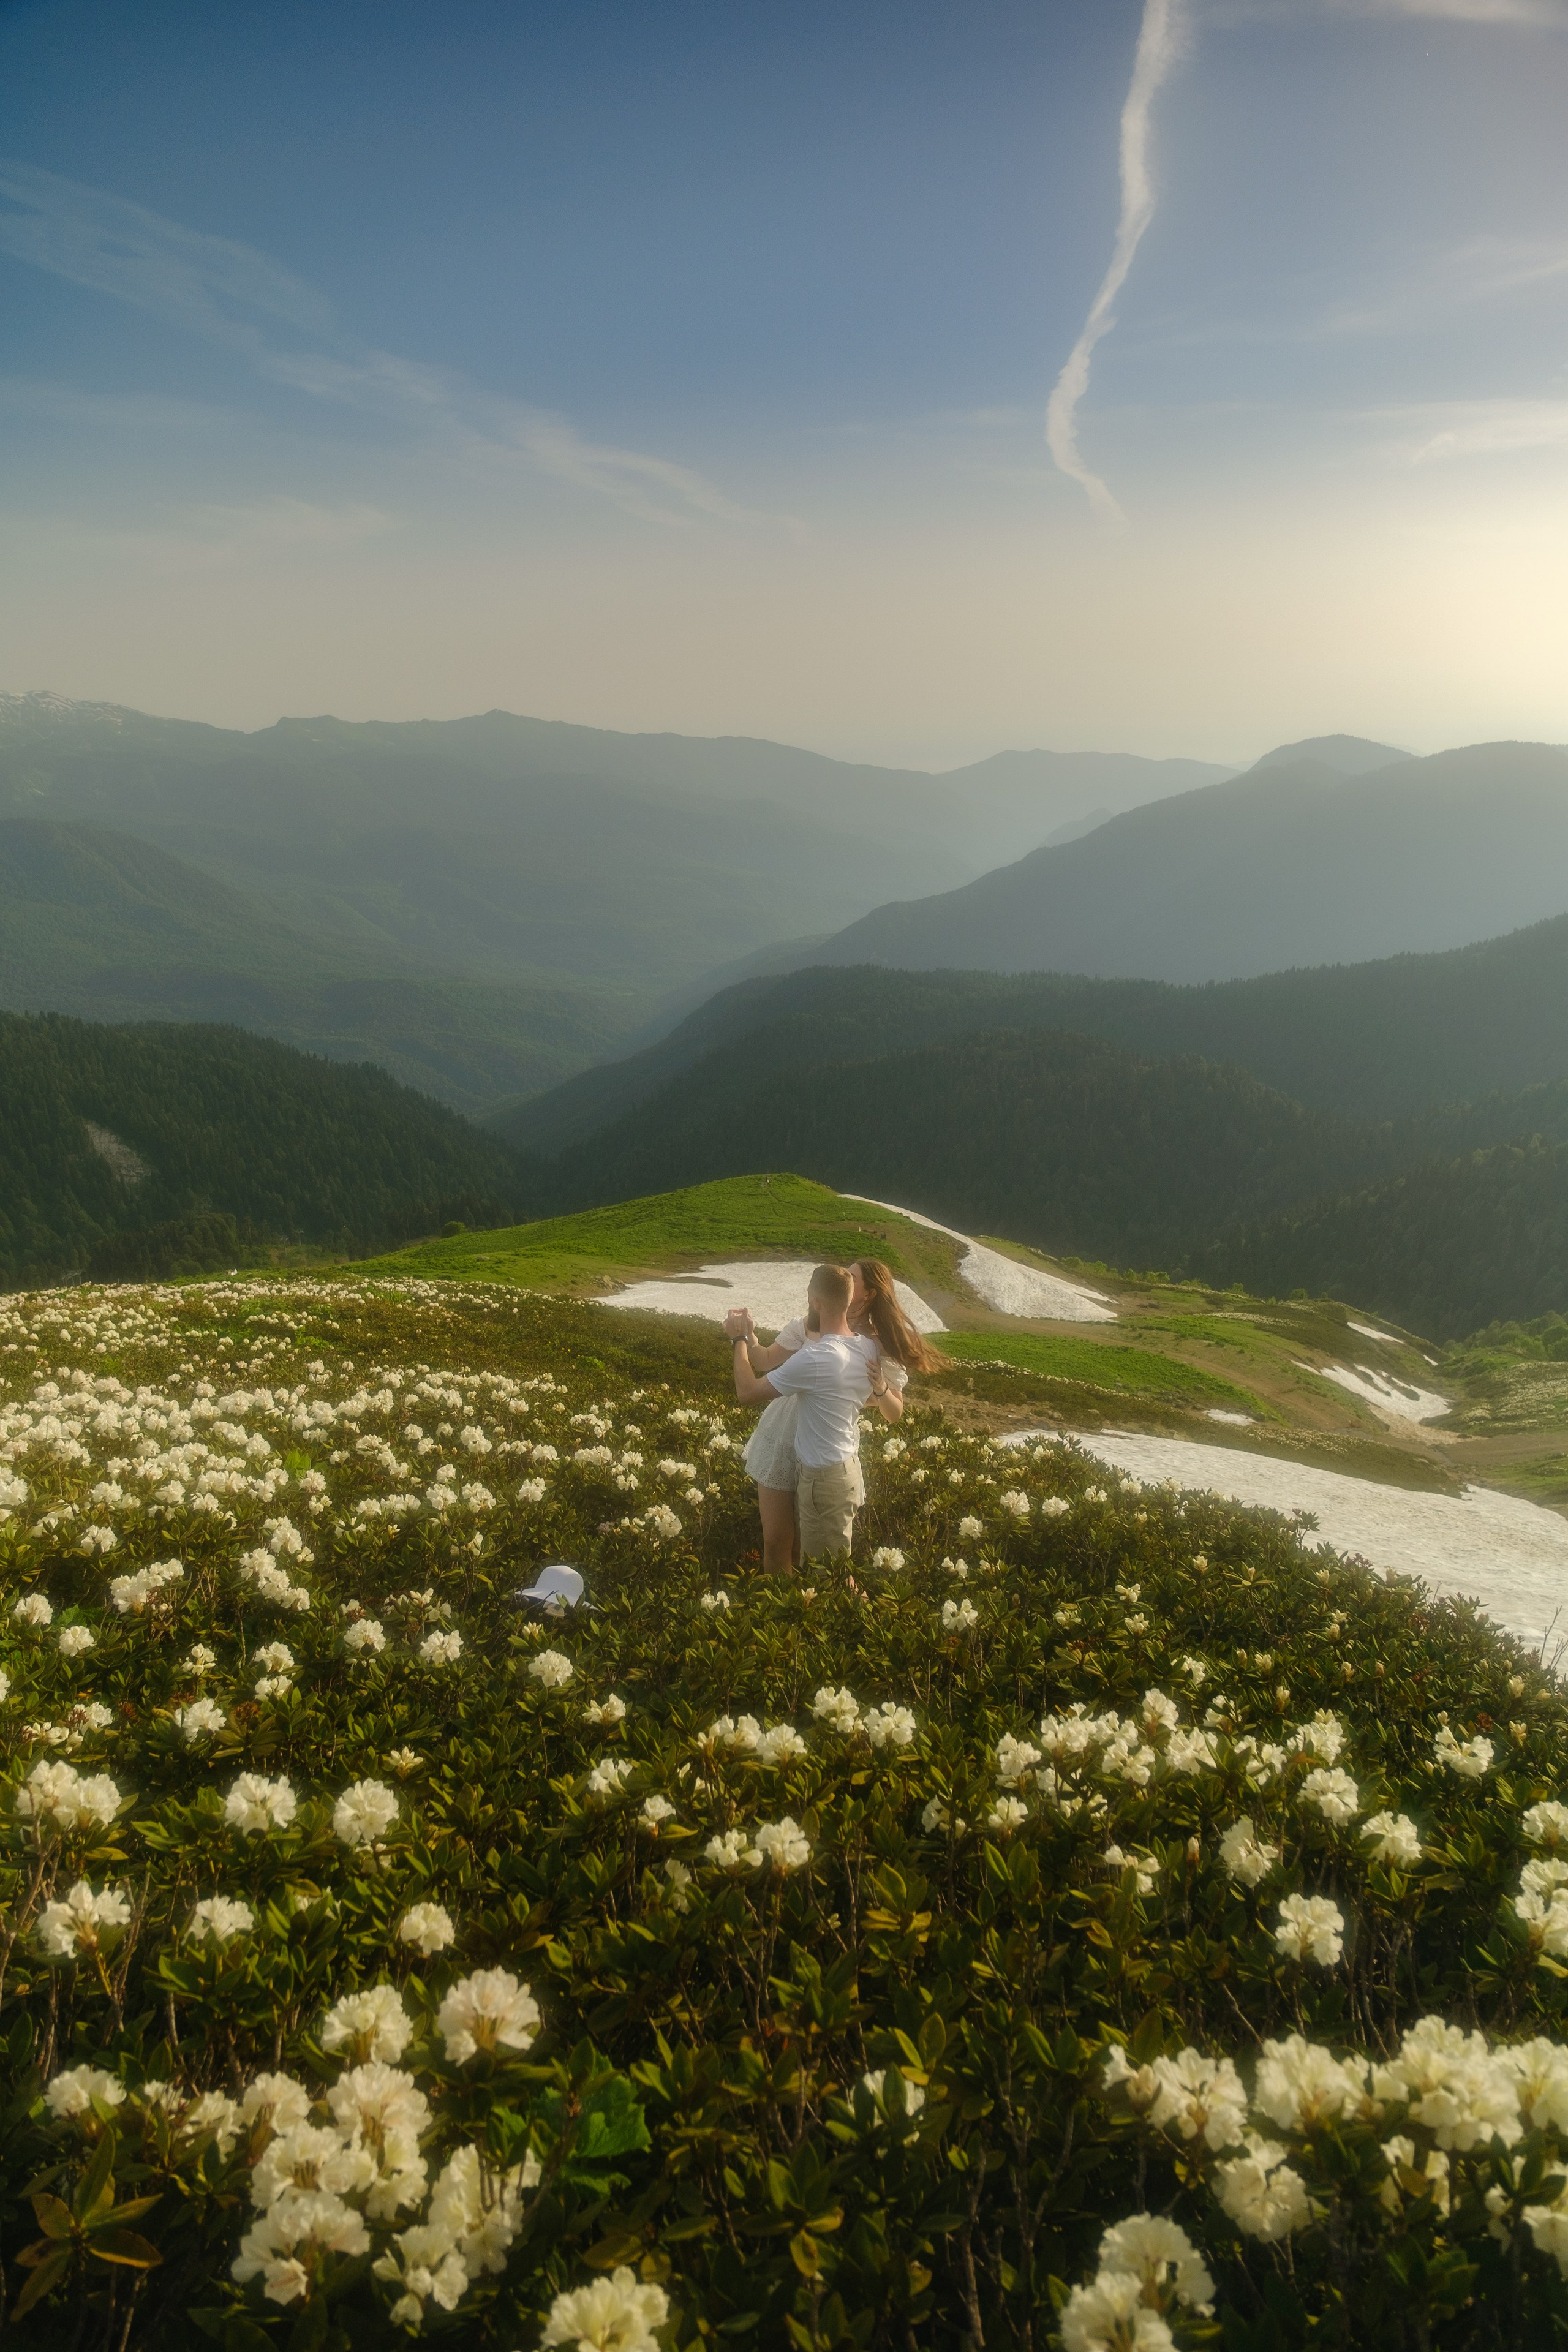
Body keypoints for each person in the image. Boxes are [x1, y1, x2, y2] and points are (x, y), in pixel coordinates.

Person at [726, 1264, 902, 1567]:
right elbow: (766, 1360)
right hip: (785, 1435)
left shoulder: (870, 1345)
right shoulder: (819, 1331)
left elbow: (748, 1391)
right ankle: (790, 1605)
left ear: (867, 1293)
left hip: (821, 1448)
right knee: (780, 1540)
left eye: (853, 1276)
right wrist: (751, 1338)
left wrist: (737, 1340)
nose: (846, 1275)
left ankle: (803, 1606)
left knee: (814, 1554)